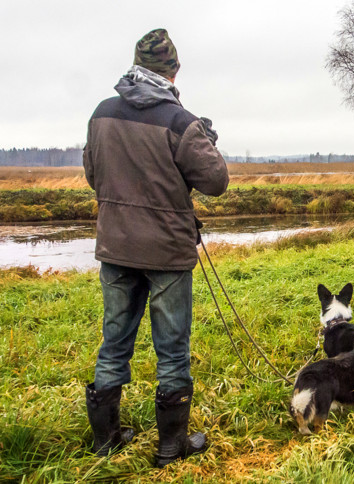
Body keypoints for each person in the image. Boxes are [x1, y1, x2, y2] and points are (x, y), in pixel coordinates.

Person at [82, 28, 228, 467]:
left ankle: (107, 441)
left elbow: (94, 174)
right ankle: (171, 447)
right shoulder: (181, 122)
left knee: (114, 344)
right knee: (172, 350)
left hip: (116, 246)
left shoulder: (101, 114)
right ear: (173, 69)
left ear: (135, 67)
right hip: (165, 252)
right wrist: (204, 138)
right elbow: (216, 181)